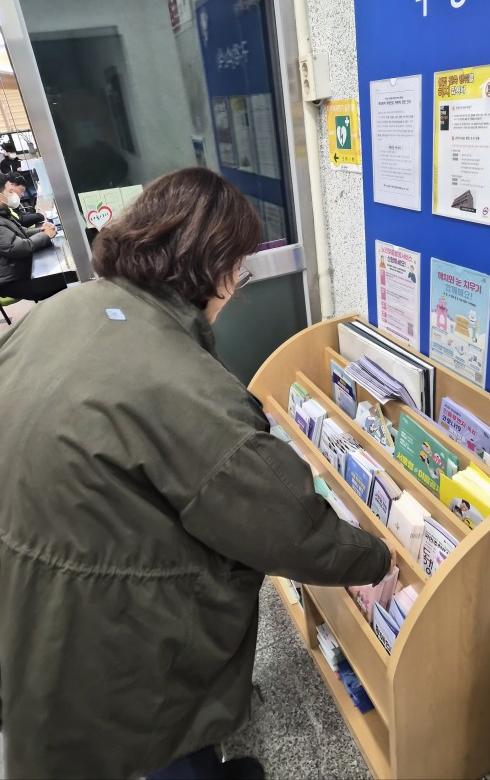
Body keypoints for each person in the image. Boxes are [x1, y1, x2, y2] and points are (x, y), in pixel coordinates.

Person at [0, 167, 393, 779]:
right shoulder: (184, 384)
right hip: (105, 630)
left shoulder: (66, 308)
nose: (236, 287)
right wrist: (378, 558)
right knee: (156, 736)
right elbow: (288, 526)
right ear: (216, 269)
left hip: (28, 588)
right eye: (239, 270)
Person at [0, 173, 76, 301]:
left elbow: (21, 232)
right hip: (14, 281)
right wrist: (46, 235)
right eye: (9, 191)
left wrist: (41, 230)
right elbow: (17, 248)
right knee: (72, 276)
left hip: (22, 270)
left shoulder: (3, 214)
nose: (13, 195)